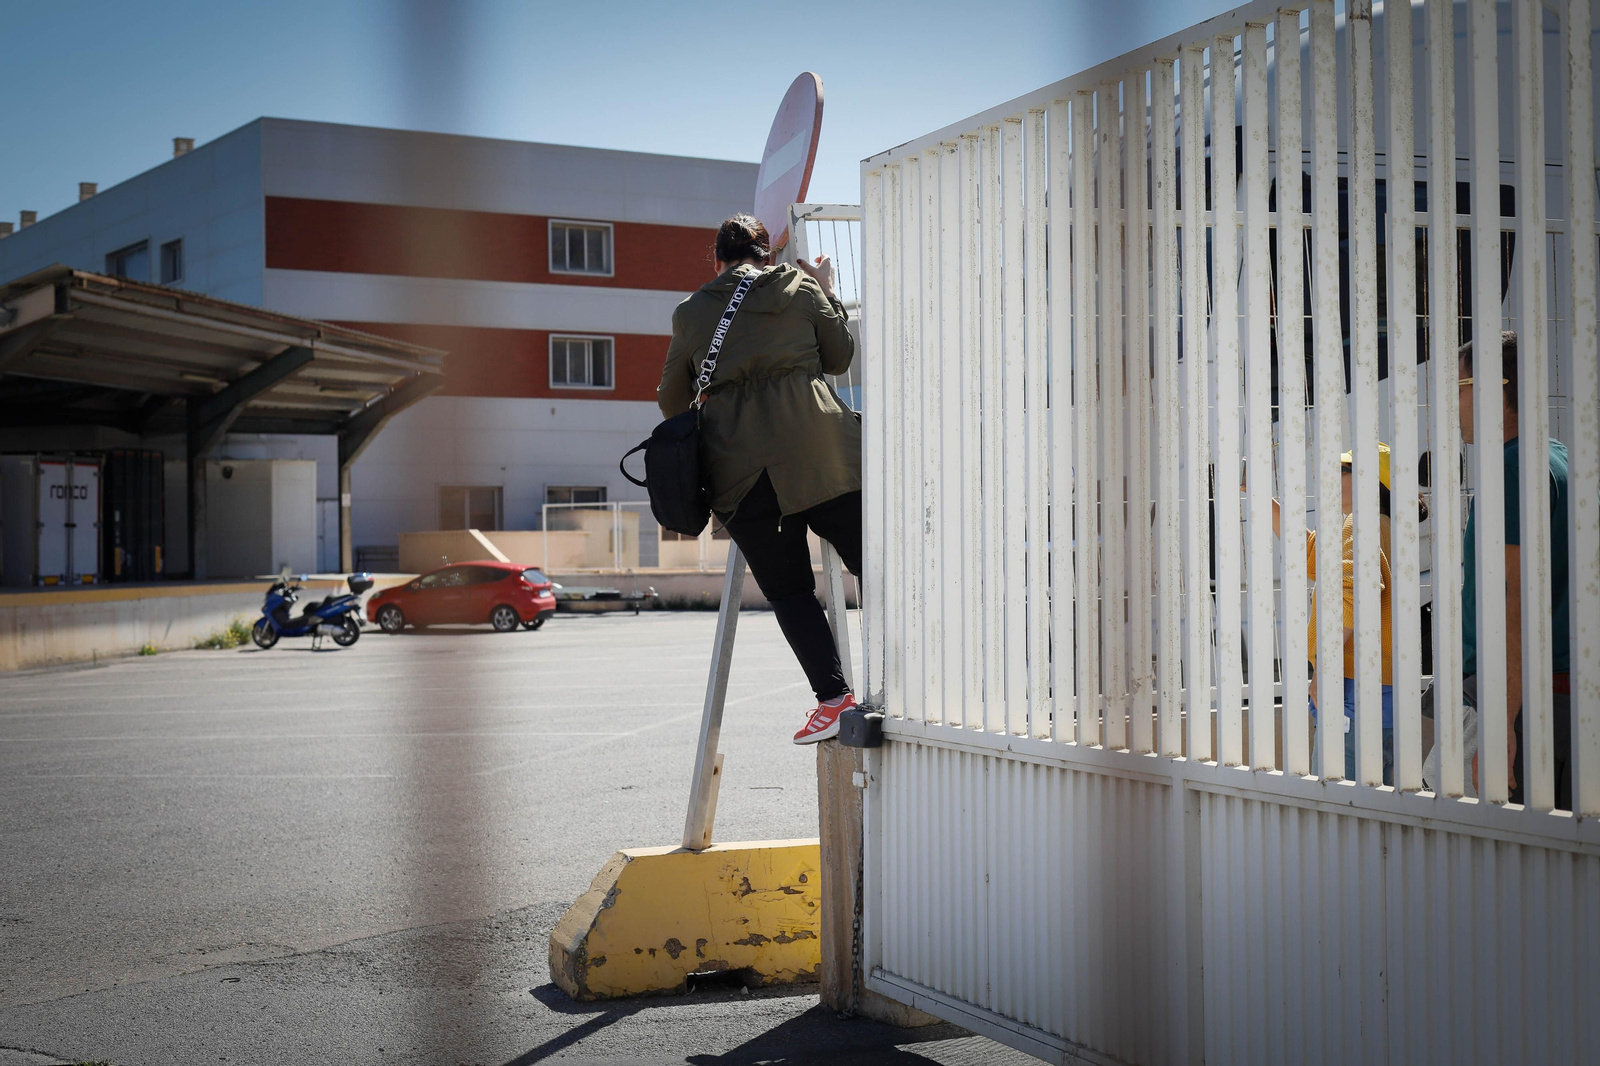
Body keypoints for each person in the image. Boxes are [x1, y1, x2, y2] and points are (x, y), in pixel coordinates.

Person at [657, 214, 862, 745]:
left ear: (718, 260)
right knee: (879, 567)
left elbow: (670, 401)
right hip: (824, 454)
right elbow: (840, 356)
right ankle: (923, 677)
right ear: (767, 255)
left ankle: (834, 700)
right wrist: (826, 291)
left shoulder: (691, 311)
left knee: (791, 590)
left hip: (744, 474)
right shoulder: (799, 286)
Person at [1457, 331, 1572, 807]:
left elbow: (1514, 600)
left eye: (1460, 387)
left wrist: (1501, 722)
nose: (1455, 401)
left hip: (1528, 701)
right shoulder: (1555, 455)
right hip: (1555, 692)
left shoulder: (1514, 466)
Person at [1269, 445, 1398, 782]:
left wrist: (1324, 671)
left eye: (1344, 469)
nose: (1333, 476)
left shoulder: (1361, 522)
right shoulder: (1384, 525)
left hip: (1355, 689)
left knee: (1341, 811)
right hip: (1384, 693)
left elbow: (1354, 594)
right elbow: (1312, 552)